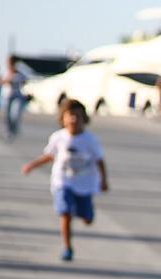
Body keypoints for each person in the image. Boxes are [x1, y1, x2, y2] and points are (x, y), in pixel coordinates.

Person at [21, 99, 108, 262]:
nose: (74, 120)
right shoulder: (58, 137)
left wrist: (104, 180)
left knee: (88, 219)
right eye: (70, 116)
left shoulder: (90, 139)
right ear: (63, 118)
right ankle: (67, 247)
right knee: (65, 213)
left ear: (84, 119)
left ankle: (84, 211)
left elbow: (99, 160)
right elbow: (49, 156)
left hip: (84, 184)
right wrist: (32, 165)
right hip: (63, 181)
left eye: (78, 116)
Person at [1, 55, 28, 138]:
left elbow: (25, 81)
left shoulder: (20, 71)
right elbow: (1, 81)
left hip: (17, 95)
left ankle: (14, 129)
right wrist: (9, 79)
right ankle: (8, 130)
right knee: (7, 115)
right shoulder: (5, 71)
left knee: (15, 114)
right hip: (6, 95)